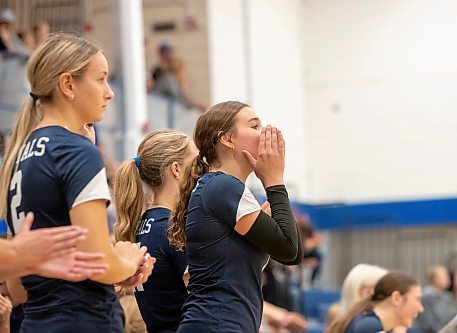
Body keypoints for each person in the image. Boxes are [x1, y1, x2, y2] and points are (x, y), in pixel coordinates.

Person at [0, 33, 154, 332]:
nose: (109, 93)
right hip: (85, 320)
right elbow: (99, 263)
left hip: (36, 322)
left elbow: (18, 289)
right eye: (101, 79)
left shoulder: (20, 155)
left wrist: (114, 269)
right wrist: (129, 259)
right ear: (68, 84)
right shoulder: (76, 150)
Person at [168, 101, 303, 332]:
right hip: (217, 324)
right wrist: (274, 181)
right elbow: (289, 250)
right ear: (227, 139)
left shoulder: (223, 188)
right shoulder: (223, 186)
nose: (264, 134)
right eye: (255, 126)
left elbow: (293, 251)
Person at [114, 129, 197, 333]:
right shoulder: (172, 227)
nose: (202, 172)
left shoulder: (143, 224)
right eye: (196, 164)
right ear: (176, 169)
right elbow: (206, 298)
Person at [327, 272, 424, 333]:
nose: (421, 308)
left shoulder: (368, 322)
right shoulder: (371, 326)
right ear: (396, 298)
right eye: (417, 299)